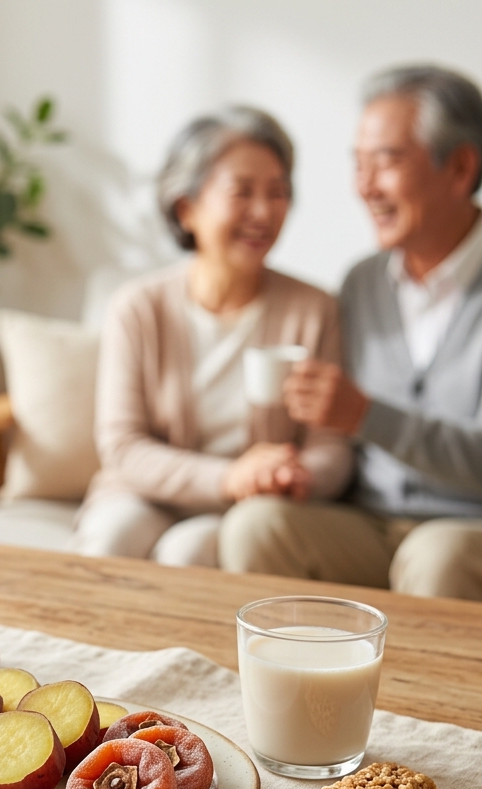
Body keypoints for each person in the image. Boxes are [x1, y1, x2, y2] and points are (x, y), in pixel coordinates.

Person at [220, 66, 482, 599]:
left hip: (465, 528)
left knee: (436, 557)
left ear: (459, 168)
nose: (364, 187)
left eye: (386, 161)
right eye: (358, 164)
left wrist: (368, 416)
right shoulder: (363, 283)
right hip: (368, 523)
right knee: (257, 526)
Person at [71, 107, 352, 565]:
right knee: (111, 539)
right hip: (143, 494)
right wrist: (229, 475)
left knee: (190, 552)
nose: (264, 212)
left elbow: (331, 447)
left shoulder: (315, 310)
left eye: (278, 193)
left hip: (248, 509)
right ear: (187, 208)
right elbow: (122, 446)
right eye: (242, 192)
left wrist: (294, 475)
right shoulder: (139, 307)